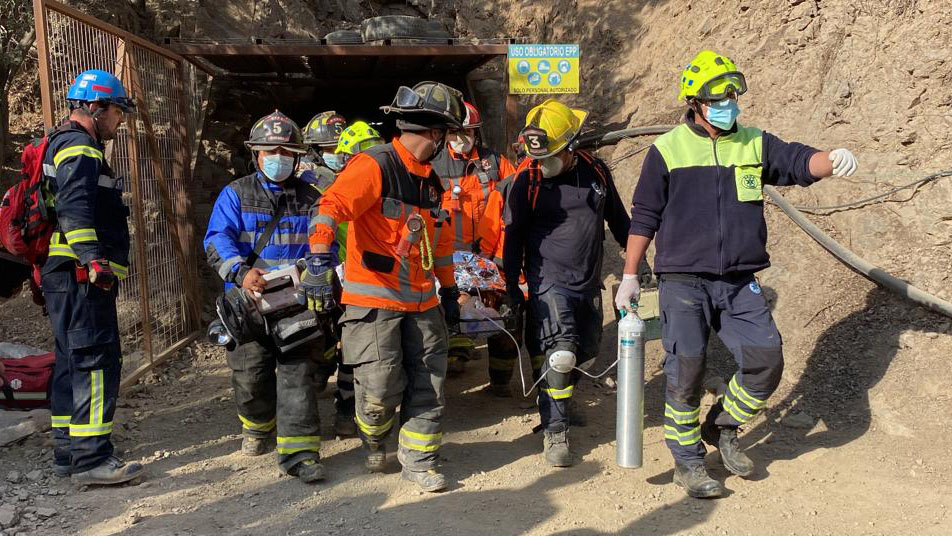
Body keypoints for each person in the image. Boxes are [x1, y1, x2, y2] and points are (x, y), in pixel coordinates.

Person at [617, 50, 859, 498]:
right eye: (718, 98)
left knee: (766, 360)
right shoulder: (667, 149)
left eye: (733, 95)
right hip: (683, 280)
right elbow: (644, 215)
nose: (729, 104)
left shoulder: (753, 142)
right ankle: (687, 462)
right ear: (695, 103)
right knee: (685, 370)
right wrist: (631, 275)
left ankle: (722, 425)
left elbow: (798, 162)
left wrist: (832, 158)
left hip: (739, 279)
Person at [305, 81, 463, 492]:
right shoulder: (374, 164)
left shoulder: (432, 182)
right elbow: (330, 207)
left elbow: (440, 245)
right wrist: (320, 261)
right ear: (434, 132)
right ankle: (374, 435)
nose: (445, 142)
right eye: (444, 134)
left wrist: (448, 292)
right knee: (378, 393)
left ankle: (420, 460)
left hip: (423, 303)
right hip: (374, 301)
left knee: (429, 384)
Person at [503, 99, 631, 467]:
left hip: (588, 281)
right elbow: (512, 239)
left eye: (551, 156)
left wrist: (639, 266)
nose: (543, 164)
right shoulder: (525, 182)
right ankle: (555, 432)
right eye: (537, 157)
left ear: (572, 146)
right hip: (548, 280)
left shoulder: (596, 172)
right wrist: (513, 288)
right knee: (560, 352)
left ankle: (555, 401)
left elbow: (619, 221)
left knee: (585, 350)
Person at [204, 110, 329, 483]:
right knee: (250, 375)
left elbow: (327, 243)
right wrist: (242, 274)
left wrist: (314, 269)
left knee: (297, 374)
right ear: (255, 155)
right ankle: (258, 426)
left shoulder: (313, 197)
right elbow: (216, 240)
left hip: (295, 304)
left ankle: (300, 453)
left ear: (297, 156)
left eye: (286, 152)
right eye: (269, 151)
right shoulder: (235, 194)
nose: (278, 158)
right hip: (248, 305)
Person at [41, 69, 142, 484]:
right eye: (118, 112)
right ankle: (92, 459)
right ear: (96, 107)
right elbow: (75, 206)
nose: (119, 122)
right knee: (96, 361)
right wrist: (93, 259)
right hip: (82, 276)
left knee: (71, 357)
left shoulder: (59, 141)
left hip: (64, 275)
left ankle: (68, 449)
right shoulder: (80, 147)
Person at [430, 101, 517, 386]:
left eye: (467, 131)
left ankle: (501, 383)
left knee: (502, 317)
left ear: (476, 132)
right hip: (446, 258)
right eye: (455, 131)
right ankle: (451, 362)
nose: (461, 138)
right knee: (447, 317)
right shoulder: (432, 164)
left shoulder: (495, 163)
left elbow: (515, 197)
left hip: (488, 258)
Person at [300, 111, 348, 191]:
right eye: (329, 149)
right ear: (316, 152)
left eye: (340, 149)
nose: (336, 153)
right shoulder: (306, 172)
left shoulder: (352, 165)